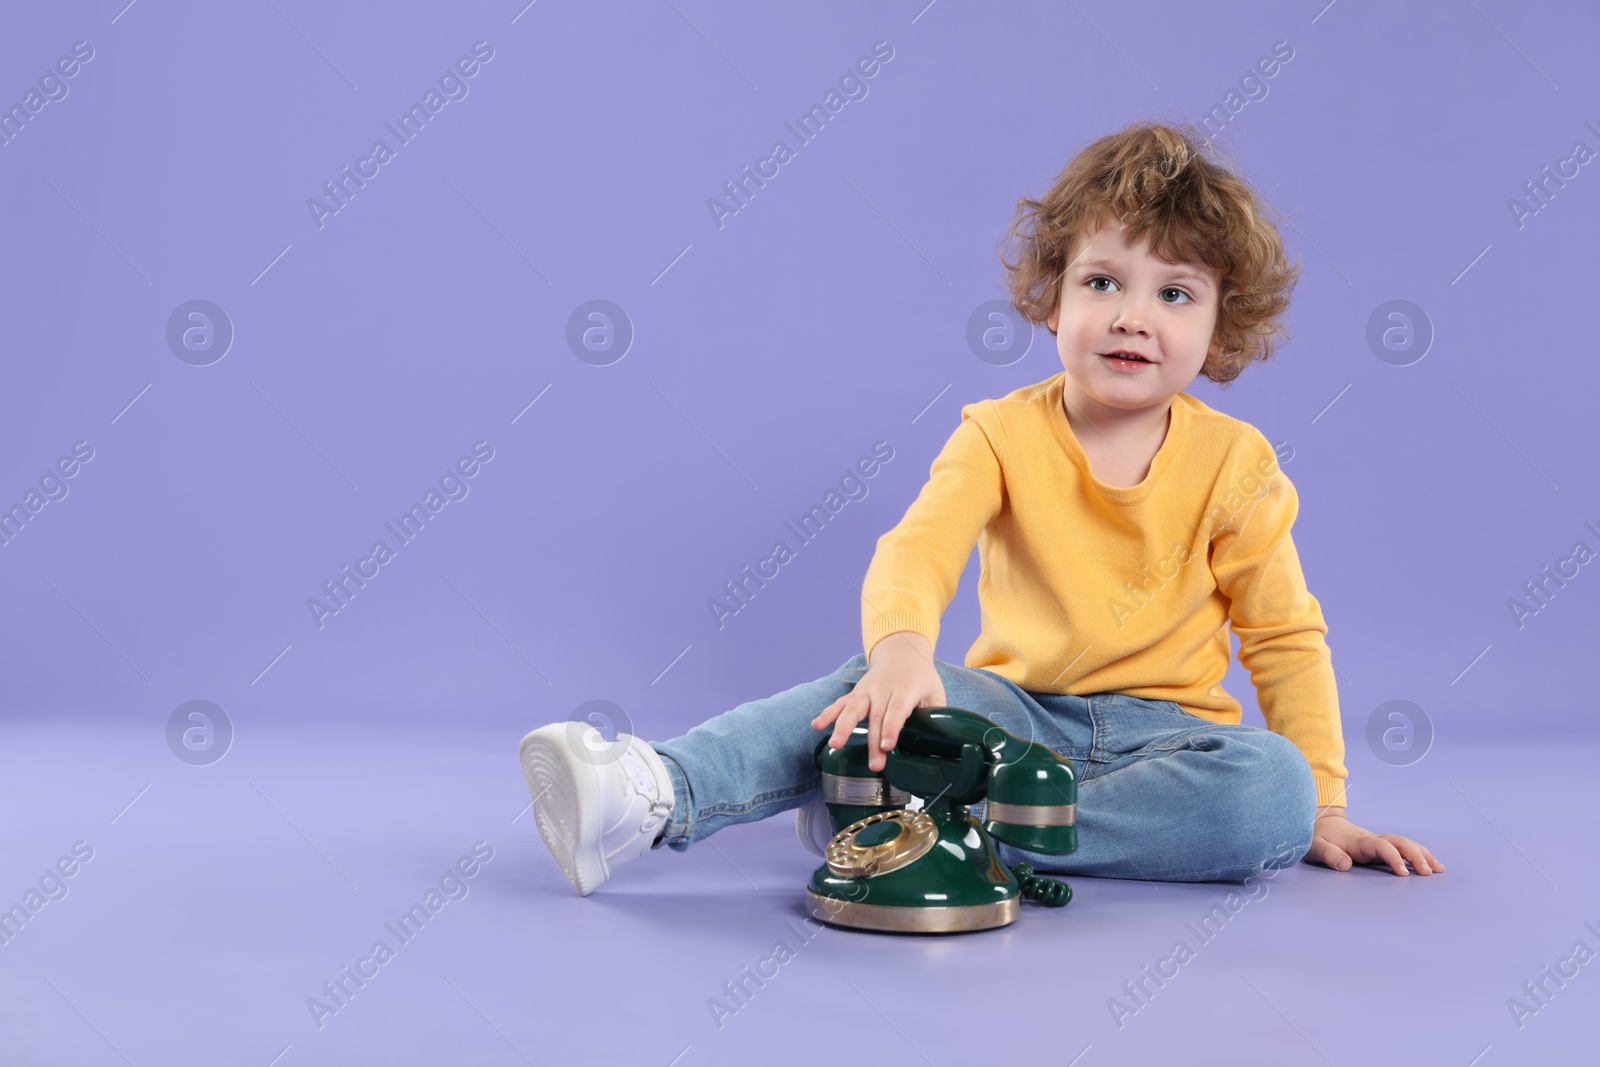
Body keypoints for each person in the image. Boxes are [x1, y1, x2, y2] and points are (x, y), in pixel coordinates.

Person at [519, 119, 1444, 897]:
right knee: (871, 683)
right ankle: (654, 791)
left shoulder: (1237, 463)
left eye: (1173, 293)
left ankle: (934, 815)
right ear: (1051, 299)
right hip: (1012, 716)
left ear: (1217, 325)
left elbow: (1285, 634)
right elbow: (919, 549)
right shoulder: (999, 433)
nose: (1132, 315)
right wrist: (903, 651)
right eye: (1102, 282)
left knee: (1268, 794)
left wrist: (1326, 804)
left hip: (1170, 739)